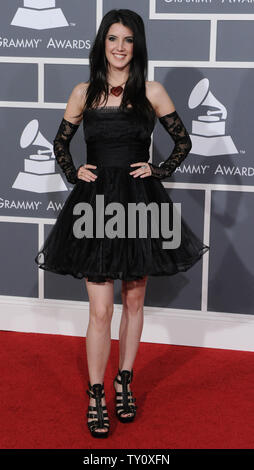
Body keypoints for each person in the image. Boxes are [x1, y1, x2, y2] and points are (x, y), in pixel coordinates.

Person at [35, 9, 209, 438]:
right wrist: (75, 171)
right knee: (100, 309)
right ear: (101, 44)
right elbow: (60, 142)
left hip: (140, 204)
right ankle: (96, 395)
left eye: (127, 39)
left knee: (134, 301)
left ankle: (123, 382)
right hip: (95, 205)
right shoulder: (83, 93)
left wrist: (159, 169)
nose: (118, 47)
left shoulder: (152, 91)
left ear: (137, 45)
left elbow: (183, 141)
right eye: (112, 38)